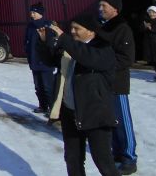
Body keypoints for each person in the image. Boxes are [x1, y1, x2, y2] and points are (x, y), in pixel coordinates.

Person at [38, 14, 120, 176]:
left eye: (77, 29)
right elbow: (50, 60)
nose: (73, 32)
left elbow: (86, 57)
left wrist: (64, 39)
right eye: (71, 28)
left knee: (103, 162)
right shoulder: (71, 48)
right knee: (72, 159)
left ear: (91, 31)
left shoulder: (103, 49)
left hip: (95, 113)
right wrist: (43, 42)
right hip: (71, 112)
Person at [98, 0, 137, 175]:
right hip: (104, 82)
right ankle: (117, 152)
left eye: (104, 6)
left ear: (114, 8)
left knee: (123, 120)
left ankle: (130, 156)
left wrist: (106, 65)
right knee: (111, 120)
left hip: (118, 83)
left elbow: (127, 58)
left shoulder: (122, 28)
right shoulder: (104, 27)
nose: (101, 9)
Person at [24, 2, 55, 115]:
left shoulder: (48, 25)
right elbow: (26, 41)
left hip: (46, 63)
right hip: (34, 61)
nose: (32, 14)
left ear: (40, 13)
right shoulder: (30, 26)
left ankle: (53, 108)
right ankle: (43, 106)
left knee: (48, 87)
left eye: (34, 12)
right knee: (38, 87)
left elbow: (52, 44)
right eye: (31, 12)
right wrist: (28, 53)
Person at [143, 5, 156, 82]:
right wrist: (145, 27)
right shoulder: (147, 21)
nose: (152, 14)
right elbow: (140, 30)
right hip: (149, 43)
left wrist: (152, 29)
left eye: (153, 12)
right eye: (150, 12)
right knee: (152, 59)